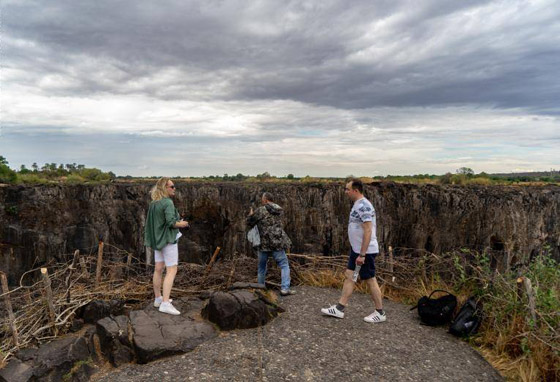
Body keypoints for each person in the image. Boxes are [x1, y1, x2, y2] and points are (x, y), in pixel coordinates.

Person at [321, 179, 386, 323]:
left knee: (370, 279)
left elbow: (368, 230)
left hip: (365, 252)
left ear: (355, 191)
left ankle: (380, 312)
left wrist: (362, 254)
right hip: (357, 250)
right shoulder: (358, 205)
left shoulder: (363, 205)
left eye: (347, 189)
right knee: (350, 276)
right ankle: (339, 308)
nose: (345, 192)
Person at [144, 178, 189, 315]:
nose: (174, 188)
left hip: (157, 241)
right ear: (165, 188)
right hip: (168, 240)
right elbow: (171, 223)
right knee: (171, 270)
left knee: (158, 269)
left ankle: (158, 298)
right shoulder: (168, 203)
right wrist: (183, 224)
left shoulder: (154, 203)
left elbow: (155, 223)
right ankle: (165, 303)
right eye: (172, 186)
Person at [247, 192, 295, 296]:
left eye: (262, 198)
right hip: (277, 243)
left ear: (265, 199)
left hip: (264, 244)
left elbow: (250, 223)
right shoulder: (279, 209)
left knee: (262, 267)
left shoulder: (261, 210)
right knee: (284, 265)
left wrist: (250, 215)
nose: (261, 200)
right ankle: (285, 289)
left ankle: (260, 289)